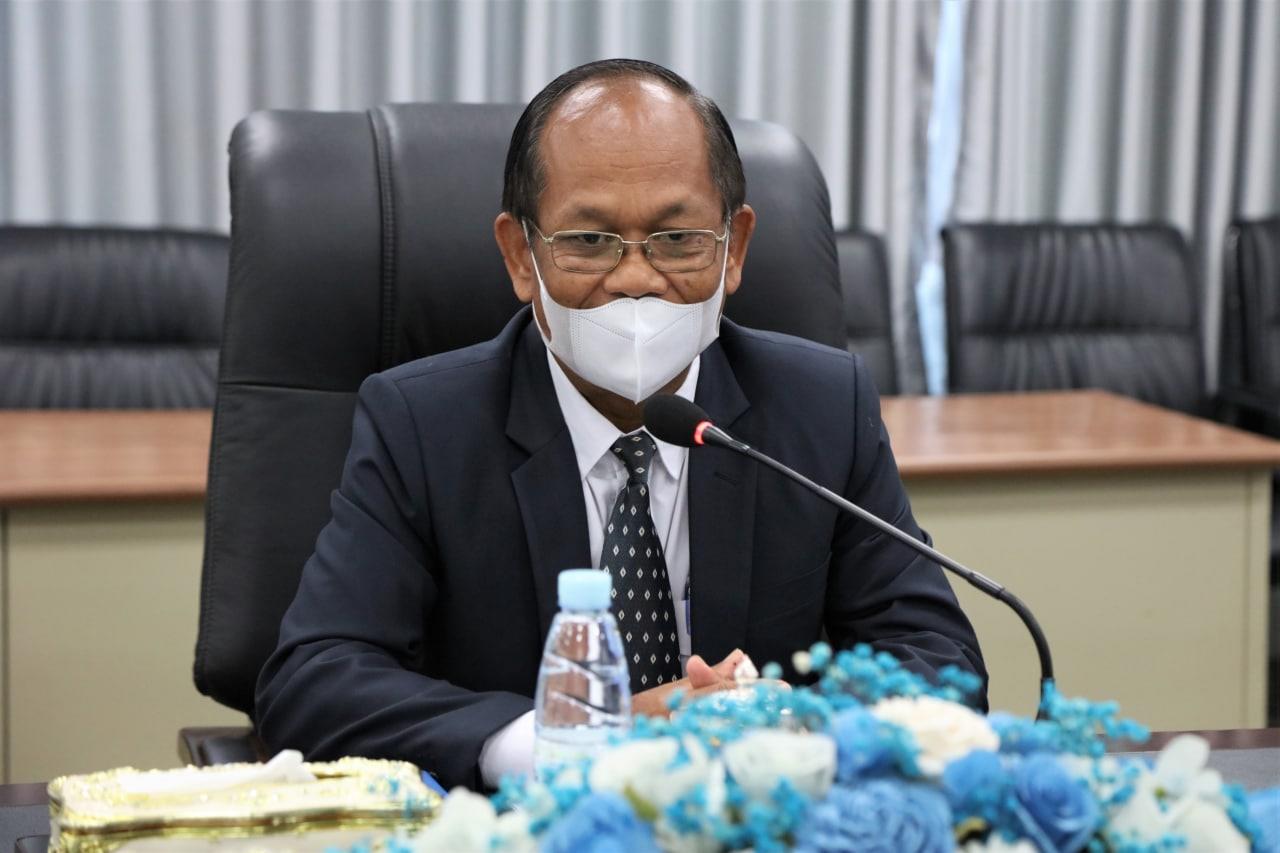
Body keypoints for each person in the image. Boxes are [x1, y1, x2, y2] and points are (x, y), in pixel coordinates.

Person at [255, 58, 985, 791]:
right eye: (588, 241)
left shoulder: (821, 406)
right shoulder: (421, 424)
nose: (636, 279)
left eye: (677, 239)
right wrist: (567, 742)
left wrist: (785, 727)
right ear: (520, 255)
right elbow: (315, 681)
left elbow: (939, 661)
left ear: (734, 248)